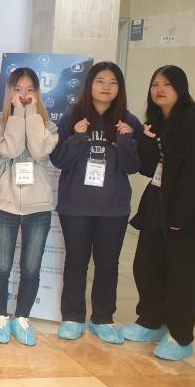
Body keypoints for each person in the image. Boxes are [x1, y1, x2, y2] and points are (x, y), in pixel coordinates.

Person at [122, 65, 195, 361]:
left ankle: (181, 337)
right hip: (158, 206)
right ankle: (151, 321)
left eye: (167, 84)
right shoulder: (158, 121)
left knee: (181, 274)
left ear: (181, 87)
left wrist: (181, 216)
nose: (159, 89)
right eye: (155, 84)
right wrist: (146, 139)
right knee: (147, 265)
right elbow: (147, 168)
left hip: (191, 213)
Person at [50, 61, 141, 345]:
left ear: (119, 89)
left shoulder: (128, 121)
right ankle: (72, 317)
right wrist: (78, 137)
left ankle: (103, 318)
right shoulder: (71, 118)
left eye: (113, 83)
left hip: (113, 207)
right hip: (76, 205)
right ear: (89, 85)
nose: (106, 87)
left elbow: (133, 167)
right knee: (76, 261)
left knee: (107, 265)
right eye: (100, 81)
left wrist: (126, 140)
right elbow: (58, 160)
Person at [0, 67, 59, 346]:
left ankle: (22, 318)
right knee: (2, 266)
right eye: (18, 90)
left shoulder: (48, 125)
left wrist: (31, 115)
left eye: (30, 90)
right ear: (10, 93)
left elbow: (39, 151)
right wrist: (18, 114)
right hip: (4, 204)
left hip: (38, 207)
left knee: (31, 268)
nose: (24, 94)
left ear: (37, 93)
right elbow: (11, 150)